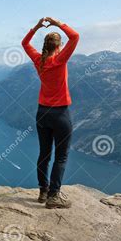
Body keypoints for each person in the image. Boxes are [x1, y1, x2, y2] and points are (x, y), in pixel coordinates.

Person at [21, 17, 79, 209]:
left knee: (44, 154)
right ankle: (54, 196)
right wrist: (57, 23)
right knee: (61, 156)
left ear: (45, 45)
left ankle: (43, 191)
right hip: (61, 114)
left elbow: (24, 43)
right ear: (59, 46)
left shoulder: (39, 60)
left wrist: (37, 27)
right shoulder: (60, 59)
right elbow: (75, 36)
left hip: (42, 113)